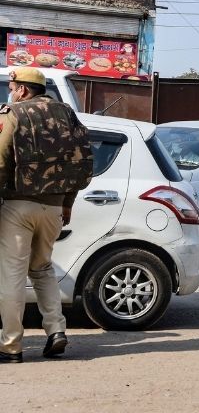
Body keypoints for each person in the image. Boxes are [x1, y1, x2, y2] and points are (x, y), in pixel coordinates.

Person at [0, 68, 93, 363]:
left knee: (12, 275)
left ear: (24, 90)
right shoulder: (66, 114)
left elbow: (1, 160)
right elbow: (83, 163)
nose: (11, 91)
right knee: (42, 269)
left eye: (13, 86)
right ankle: (56, 331)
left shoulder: (12, 113)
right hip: (54, 208)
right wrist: (67, 202)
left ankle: (11, 345)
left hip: (17, 206)